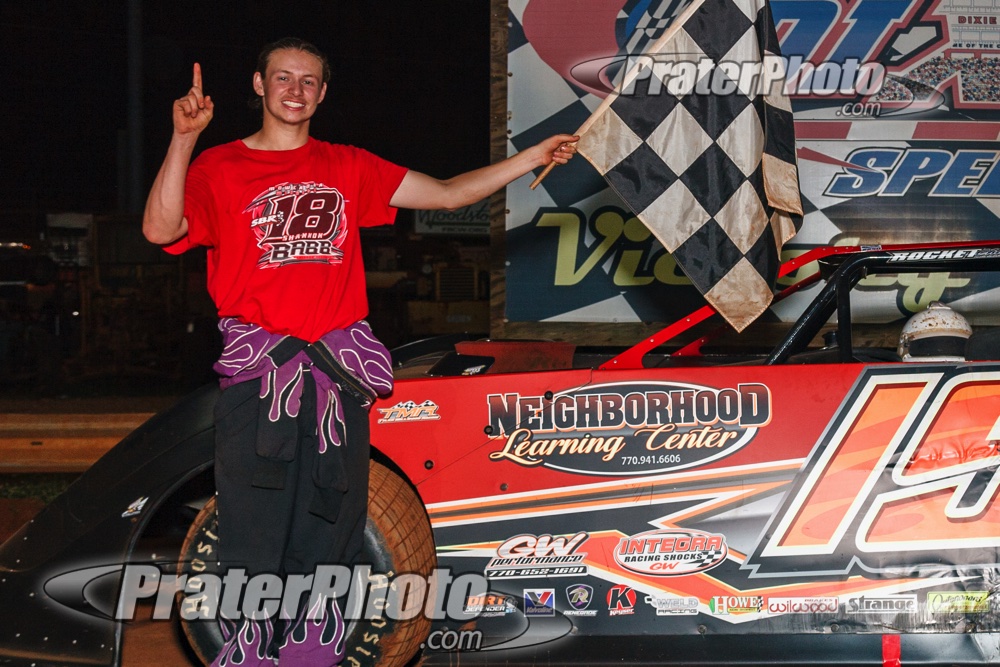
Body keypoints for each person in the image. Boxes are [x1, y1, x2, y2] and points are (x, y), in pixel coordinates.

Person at [143, 37, 576, 667]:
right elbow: (160, 228)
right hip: (259, 378)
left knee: (332, 520)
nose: (295, 90)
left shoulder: (347, 165)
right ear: (259, 86)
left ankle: (311, 651)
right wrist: (183, 138)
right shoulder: (220, 166)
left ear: (323, 93)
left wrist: (533, 155)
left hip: (335, 380)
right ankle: (248, 649)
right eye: (283, 77)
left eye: (308, 80)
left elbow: (450, 193)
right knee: (253, 523)